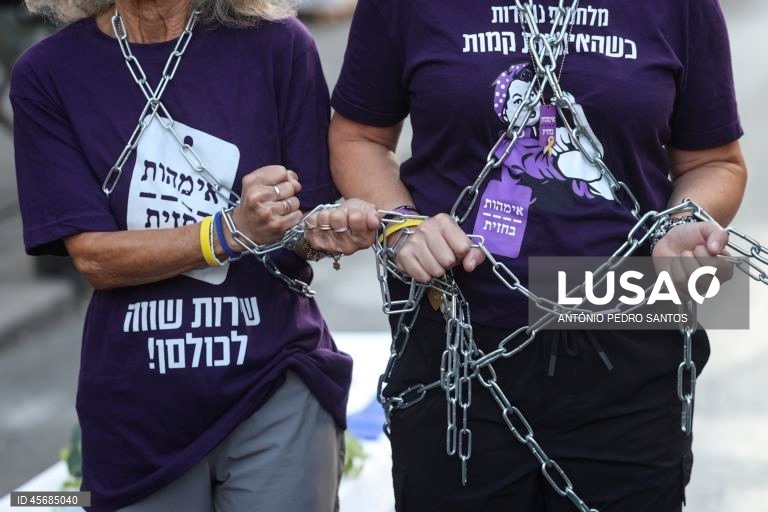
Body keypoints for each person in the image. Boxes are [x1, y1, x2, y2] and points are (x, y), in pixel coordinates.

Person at [324, 0, 748, 510]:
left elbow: (714, 161)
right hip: (458, 338)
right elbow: (359, 136)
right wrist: (404, 226)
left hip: (628, 326)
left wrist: (680, 221)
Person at [11, 0, 377, 510]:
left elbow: (304, 222)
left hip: (273, 378)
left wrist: (332, 226)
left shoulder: (279, 45)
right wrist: (225, 232)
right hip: (135, 412)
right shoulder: (49, 72)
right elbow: (94, 260)